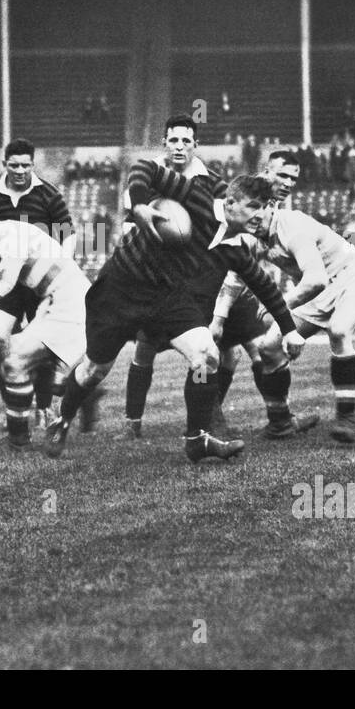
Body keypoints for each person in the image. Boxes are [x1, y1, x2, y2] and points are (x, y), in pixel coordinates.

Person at [46, 116, 298, 463]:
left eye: (264, 209)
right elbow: (141, 169)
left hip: (166, 295)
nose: (260, 216)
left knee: (206, 355)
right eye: (254, 207)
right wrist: (139, 204)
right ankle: (62, 418)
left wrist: (290, 330)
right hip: (122, 286)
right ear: (233, 202)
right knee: (95, 369)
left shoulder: (237, 245)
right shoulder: (195, 194)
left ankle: (197, 438)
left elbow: (263, 284)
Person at [212, 195, 355, 444]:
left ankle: (347, 419)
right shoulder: (252, 235)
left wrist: (279, 307)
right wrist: (219, 318)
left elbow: (315, 280)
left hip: (353, 277)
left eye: (258, 209)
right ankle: (280, 422)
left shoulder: (293, 226)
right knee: (268, 347)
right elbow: (235, 277)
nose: (254, 218)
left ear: (271, 206)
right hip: (318, 291)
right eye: (249, 210)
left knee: (339, 330)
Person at [0, 200, 89, 452]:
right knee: (15, 363)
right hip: (50, 303)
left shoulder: (12, 235)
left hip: (71, 299)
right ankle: (20, 440)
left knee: (24, 364)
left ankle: (81, 386)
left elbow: (4, 287)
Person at [0, 139, 75, 427]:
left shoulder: (49, 195)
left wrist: (60, 267)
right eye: (14, 165)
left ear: (33, 165)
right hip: (8, 281)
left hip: (39, 285)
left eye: (26, 165)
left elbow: (68, 235)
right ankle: (13, 405)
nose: (20, 170)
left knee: (40, 347)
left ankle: (43, 407)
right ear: (4, 163)